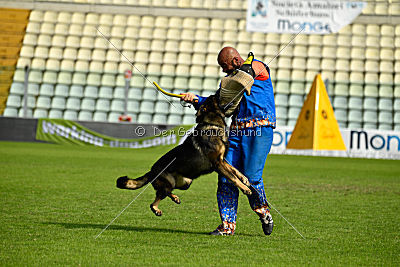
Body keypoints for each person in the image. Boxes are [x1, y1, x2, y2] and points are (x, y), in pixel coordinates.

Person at [181, 47, 276, 236]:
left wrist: (241, 72)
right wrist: (196, 99)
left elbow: (255, 69)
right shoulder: (230, 83)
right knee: (225, 176)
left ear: (235, 61)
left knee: (252, 176)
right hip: (235, 132)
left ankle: (263, 211)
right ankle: (227, 226)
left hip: (259, 129)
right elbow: (217, 102)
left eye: (224, 66)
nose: (224, 71)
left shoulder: (257, 66)